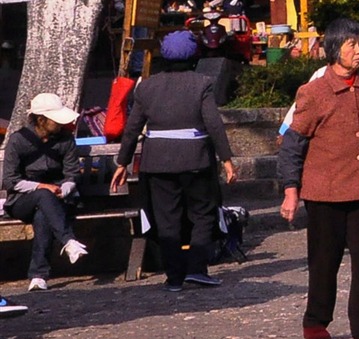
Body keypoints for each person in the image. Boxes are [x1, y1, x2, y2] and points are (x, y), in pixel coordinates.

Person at [277, 19, 359, 339]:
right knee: (323, 259)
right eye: (352, 45)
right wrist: (291, 189)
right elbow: (293, 143)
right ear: (334, 50)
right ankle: (316, 320)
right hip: (324, 190)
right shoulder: (314, 92)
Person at [111, 30, 235, 291]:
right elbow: (213, 123)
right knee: (203, 214)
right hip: (195, 159)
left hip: (157, 162)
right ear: (193, 55)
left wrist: (122, 163)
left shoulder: (146, 87)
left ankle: (174, 277)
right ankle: (197, 269)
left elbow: (133, 128)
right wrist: (226, 159)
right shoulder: (201, 83)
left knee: (167, 220)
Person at [3, 92, 89, 292]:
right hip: (23, 200)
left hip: (57, 200)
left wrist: (64, 189)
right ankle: (68, 240)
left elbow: (72, 174)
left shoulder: (65, 140)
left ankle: (38, 276)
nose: (60, 125)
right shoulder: (18, 141)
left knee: (43, 215)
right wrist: (41, 187)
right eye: (55, 120)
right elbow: (10, 180)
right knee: (43, 195)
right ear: (41, 120)